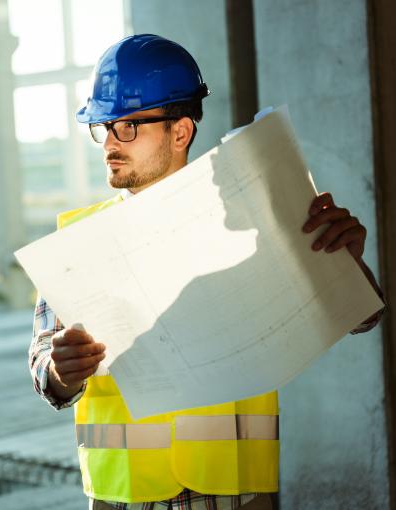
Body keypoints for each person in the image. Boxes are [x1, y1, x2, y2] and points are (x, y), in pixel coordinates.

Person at [28, 34, 385, 510]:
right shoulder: (78, 244)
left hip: (235, 493)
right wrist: (59, 370)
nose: (111, 143)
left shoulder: (253, 225)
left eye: (128, 126)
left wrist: (347, 266)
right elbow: (44, 368)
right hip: (126, 497)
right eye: (103, 126)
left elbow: (360, 317)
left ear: (180, 132)